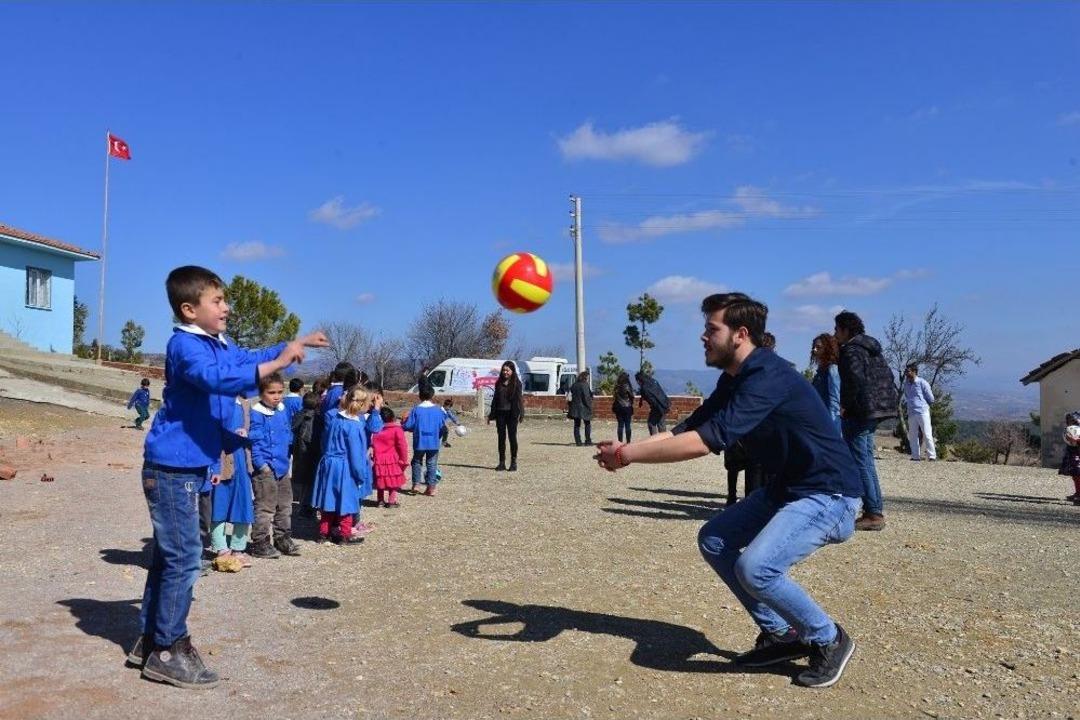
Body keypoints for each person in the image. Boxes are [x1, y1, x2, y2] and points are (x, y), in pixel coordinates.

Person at [595, 292, 862, 689]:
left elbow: (707, 441)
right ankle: (781, 634)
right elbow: (688, 428)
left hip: (830, 495)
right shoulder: (734, 378)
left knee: (756, 568)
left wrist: (629, 457)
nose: (703, 337)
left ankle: (827, 637)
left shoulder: (767, 378)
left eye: (711, 329)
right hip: (789, 488)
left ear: (740, 334)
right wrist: (626, 449)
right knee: (715, 539)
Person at [130, 264, 326, 689]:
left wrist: (285, 347)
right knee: (184, 559)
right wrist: (275, 360)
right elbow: (219, 379)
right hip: (170, 468)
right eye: (216, 301)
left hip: (189, 466)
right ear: (188, 309)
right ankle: (168, 647)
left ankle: (149, 639)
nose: (227, 307)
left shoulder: (217, 342)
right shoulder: (186, 347)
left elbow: (243, 359)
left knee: (170, 557)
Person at [835, 310, 897, 532]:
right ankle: (873, 509)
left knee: (861, 461)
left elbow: (854, 381)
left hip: (861, 412)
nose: (835, 335)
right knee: (867, 461)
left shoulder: (851, 351)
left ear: (845, 330)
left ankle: (873, 513)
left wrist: (845, 406)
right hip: (877, 410)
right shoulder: (872, 349)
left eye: (837, 330)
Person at [310, 386, 375, 544]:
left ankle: (323, 533)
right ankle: (345, 535)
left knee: (328, 500)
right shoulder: (355, 426)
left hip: (328, 463)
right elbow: (356, 454)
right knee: (347, 501)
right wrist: (360, 475)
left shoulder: (335, 419)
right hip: (344, 466)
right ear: (361, 404)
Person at [247, 372, 298, 559]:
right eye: (271, 392)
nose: (276, 396)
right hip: (266, 469)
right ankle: (260, 542)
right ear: (261, 393)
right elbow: (255, 441)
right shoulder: (257, 413)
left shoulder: (282, 410)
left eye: (279, 392)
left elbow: (286, 434)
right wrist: (262, 465)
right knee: (265, 507)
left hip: (283, 466)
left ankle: (282, 537)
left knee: (285, 505)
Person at [208, 397, 254, 568]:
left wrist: (248, 434)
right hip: (220, 459)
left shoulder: (246, 404)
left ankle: (238, 547)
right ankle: (220, 547)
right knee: (219, 504)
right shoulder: (215, 402)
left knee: (243, 504)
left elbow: (254, 430)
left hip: (241, 459)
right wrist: (215, 467)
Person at [403, 383, 445, 495]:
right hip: (433, 442)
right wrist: (439, 436)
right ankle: (431, 487)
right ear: (432, 395)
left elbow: (408, 425)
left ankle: (416, 484)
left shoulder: (416, 410)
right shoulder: (438, 410)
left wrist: (403, 422)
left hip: (419, 441)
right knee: (431, 464)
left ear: (420, 396)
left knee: (417, 462)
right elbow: (442, 426)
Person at [487, 360, 524, 471]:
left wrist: (521, 413)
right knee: (501, 438)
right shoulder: (498, 383)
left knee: (512, 438)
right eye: (503, 370)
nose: (505, 372)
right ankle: (501, 462)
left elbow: (519, 400)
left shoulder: (517, 384)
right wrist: (491, 415)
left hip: (512, 414)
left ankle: (513, 462)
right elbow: (495, 399)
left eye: (507, 370)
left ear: (512, 371)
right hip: (500, 413)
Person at [372, 406, 409, 507]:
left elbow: (372, 444)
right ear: (393, 417)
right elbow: (402, 446)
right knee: (394, 479)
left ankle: (380, 500)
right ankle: (391, 501)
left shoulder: (376, 430)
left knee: (380, 479)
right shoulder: (397, 429)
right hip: (393, 459)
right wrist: (404, 459)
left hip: (379, 458)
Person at [291, 392, 320, 515]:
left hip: (299, 451)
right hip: (310, 453)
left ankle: (303, 505)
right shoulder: (316, 418)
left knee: (303, 481)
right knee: (310, 481)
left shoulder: (298, 415)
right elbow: (309, 437)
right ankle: (306, 508)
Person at [902, 364, 936, 461]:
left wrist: (924, 406)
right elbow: (907, 396)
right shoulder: (906, 384)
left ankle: (932, 456)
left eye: (908, 371)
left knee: (927, 433)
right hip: (911, 412)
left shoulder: (922, 383)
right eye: (906, 371)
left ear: (914, 371)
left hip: (922, 411)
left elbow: (931, 398)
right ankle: (915, 456)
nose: (906, 373)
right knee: (912, 434)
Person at [810, 334, 842, 433]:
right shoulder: (820, 372)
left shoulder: (832, 370)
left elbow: (835, 401)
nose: (814, 350)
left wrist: (832, 427)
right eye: (814, 347)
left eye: (818, 347)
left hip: (829, 422)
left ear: (827, 349)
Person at [635, 370, 670, 435]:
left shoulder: (644, 387)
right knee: (661, 424)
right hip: (664, 403)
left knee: (651, 423)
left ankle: (654, 439)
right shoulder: (653, 381)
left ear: (638, 380)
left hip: (657, 407)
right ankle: (663, 440)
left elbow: (651, 400)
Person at [567, 370, 594, 446]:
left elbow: (569, 396)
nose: (588, 379)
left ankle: (578, 442)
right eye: (587, 377)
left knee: (576, 425)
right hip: (584, 407)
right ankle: (588, 441)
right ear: (585, 377)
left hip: (575, 407)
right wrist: (589, 406)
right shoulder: (585, 385)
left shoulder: (574, 385)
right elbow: (587, 397)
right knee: (587, 424)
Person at [1059, 412, 1080, 505]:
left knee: (1078, 474)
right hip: (1073, 451)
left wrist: (1076, 440)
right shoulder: (1071, 428)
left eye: (1073, 421)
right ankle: (1078, 493)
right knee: (1075, 474)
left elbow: (1075, 440)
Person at [612, 372, 635, 443]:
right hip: (627, 407)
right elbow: (632, 396)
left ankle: (620, 441)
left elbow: (614, 397)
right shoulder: (627, 386)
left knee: (620, 425)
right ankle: (628, 441)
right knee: (627, 425)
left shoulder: (617, 386)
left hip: (618, 407)